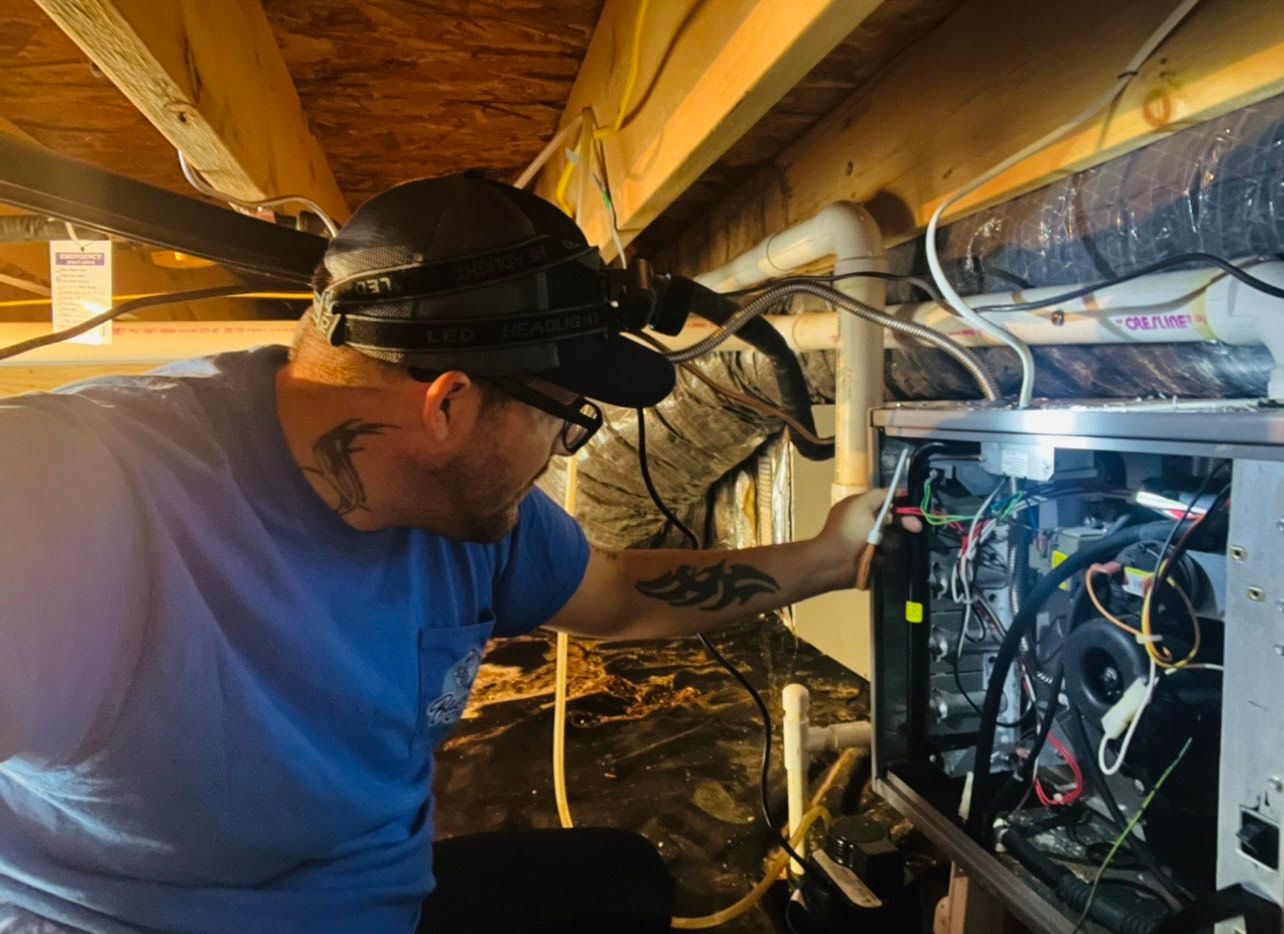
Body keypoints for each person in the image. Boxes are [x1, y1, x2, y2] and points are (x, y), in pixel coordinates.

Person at [0, 174, 913, 933]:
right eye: (563, 419)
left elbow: (618, 597)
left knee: (617, 880)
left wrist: (833, 557)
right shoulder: (74, 499)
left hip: (374, 898)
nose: (563, 454)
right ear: (448, 406)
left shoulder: (464, 511)